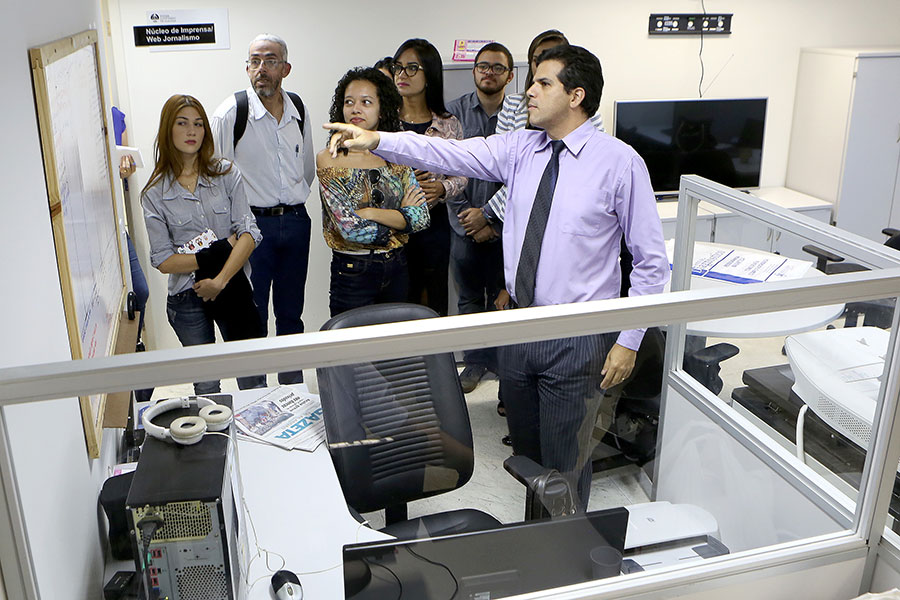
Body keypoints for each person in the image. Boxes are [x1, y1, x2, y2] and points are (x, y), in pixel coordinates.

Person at [325, 45, 670, 508]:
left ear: (576, 95)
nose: (528, 91)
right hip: (518, 327)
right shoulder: (520, 148)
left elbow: (650, 262)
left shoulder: (619, 163)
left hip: (578, 334)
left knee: (566, 464)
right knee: (528, 458)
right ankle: (538, 538)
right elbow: (446, 151)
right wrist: (378, 141)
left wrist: (630, 340)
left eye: (543, 83)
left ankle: (564, 558)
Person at [142, 94, 266, 395]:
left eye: (198, 124)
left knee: (252, 376)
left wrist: (220, 280)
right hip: (187, 296)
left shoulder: (226, 173)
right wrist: (220, 251)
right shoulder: (154, 192)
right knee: (207, 383)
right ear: (167, 130)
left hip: (232, 285)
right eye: (182, 124)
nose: (191, 132)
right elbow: (163, 260)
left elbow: (250, 233)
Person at [211, 33, 313, 385]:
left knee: (291, 314)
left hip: (297, 223)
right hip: (252, 229)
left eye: (270, 61)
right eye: (255, 61)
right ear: (247, 68)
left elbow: (307, 170)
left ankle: (292, 388)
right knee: (250, 316)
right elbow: (215, 177)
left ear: (285, 68)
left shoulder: (297, 107)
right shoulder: (231, 113)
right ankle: (254, 395)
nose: (261, 69)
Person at [459, 30, 604, 239]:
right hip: (516, 216)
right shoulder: (514, 104)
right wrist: (492, 218)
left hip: (565, 219)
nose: (546, 62)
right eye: (539, 59)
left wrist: (486, 214)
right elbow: (509, 170)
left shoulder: (590, 120)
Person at [317, 67, 430, 316]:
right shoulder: (329, 159)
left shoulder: (396, 155)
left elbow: (422, 218)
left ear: (382, 108)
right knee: (351, 351)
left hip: (397, 264)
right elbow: (350, 229)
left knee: (393, 349)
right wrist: (401, 217)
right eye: (349, 102)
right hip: (353, 270)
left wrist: (369, 212)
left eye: (366, 102)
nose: (356, 109)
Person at [445, 42, 515, 393]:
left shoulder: (522, 115)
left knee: (506, 298)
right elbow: (445, 170)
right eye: (483, 66)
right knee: (470, 298)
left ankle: (502, 366)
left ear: (510, 75)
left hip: (508, 228)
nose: (489, 72)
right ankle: (473, 362)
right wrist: (467, 219)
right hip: (463, 226)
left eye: (497, 67)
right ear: (474, 71)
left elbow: (524, 175)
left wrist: (493, 222)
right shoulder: (453, 112)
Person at [391, 38, 467, 316]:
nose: (402, 74)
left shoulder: (448, 123)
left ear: (430, 75)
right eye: (398, 67)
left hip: (434, 223)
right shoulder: (386, 123)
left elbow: (462, 176)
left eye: (412, 68)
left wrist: (441, 188)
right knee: (398, 301)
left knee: (433, 299)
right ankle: (400, 360)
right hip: (393, 224)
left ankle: (435, 360)